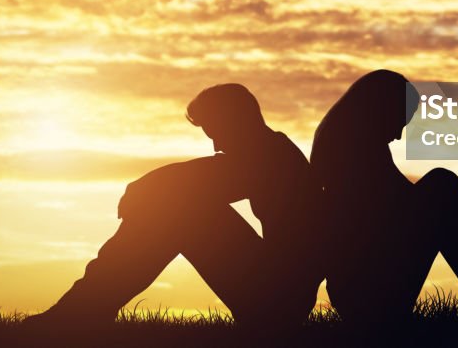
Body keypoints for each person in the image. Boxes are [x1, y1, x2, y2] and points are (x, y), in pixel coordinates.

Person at [26, 83, 324, 332]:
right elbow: (202, 177)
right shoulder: (271, 151)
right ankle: (83, 309)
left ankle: (81, 312)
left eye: (217, 132)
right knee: (176, 209)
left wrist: (144, 189)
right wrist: (150, 190)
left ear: (237, 120)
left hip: (278, 303)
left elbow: (201, 179)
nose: (216, 145)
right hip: (278, 296)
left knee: (178, 213)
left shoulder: (269, 157)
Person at [311, 69, 458, 327]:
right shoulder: (353, 147)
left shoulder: (348, 136)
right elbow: (401, 207)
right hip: (368, 292)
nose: (398, 135)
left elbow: (406, 202)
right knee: (443, 184)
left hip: (359, 288)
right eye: (400, 121)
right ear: (383, 108)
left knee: (442, 188)